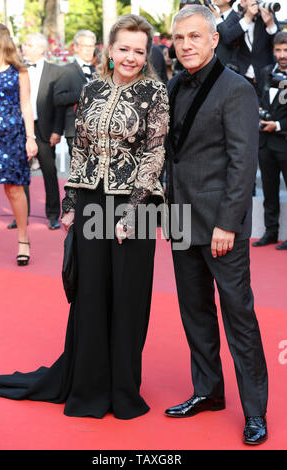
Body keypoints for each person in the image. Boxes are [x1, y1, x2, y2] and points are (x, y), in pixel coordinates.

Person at [0, 14, 169, 420]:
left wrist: (132, 211)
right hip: (92, 201)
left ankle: (121, 389)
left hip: (135, 206)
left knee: (127, 296)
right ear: (110, 48)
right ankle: (87, 385)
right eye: (124, 48)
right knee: (90, 293)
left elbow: (154, 153)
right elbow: (82, 147)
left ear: (148, 53)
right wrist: (70, 203)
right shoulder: (92, 89)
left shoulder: (155, 92)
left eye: (139, 50)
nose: (131, 57)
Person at [164, 5, 268, 445]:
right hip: (180, 219)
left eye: (194, 37)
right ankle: (206, 391)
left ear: (212, 39)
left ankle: (255, 413)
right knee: (195, 313)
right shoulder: (172, 84)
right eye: (180, 38)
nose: (186, 45)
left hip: (221, 225)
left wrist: (228, 222)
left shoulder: (236, 88)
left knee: (238, 316)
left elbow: (243, 163)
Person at [0, 23, 37, 264]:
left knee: (14, 189)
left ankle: (23, 239)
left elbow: (26, 105)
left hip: (12, 137)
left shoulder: (19, 70)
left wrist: (30, 137)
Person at [8, 33, 64, 231]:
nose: (25, 47)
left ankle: (53, 215)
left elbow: (59, 105)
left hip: (44, 129)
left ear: (41, 49)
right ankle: (20, 215)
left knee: (49, 172)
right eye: (24, 43)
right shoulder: (15, 69)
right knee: (20, 173)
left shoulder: (56, 71)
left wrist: (57, 131)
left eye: (30, 44)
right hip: (19, 128)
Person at [252, 32, 287, 251]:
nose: (282, 55)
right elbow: (259, 99)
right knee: (268, 190)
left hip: (284, 142)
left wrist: (280, 126)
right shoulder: (265, 73)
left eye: (286, 50)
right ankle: (270, 232)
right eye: (278, 50)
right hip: (265, 142)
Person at [54, 30, 97, 160]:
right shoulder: (65, 70)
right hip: (74, 129)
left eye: (91, 46)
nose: (89, 50)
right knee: (78, 173)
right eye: (85, 46)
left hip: (98, 131)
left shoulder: (100, 71)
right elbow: (58, 98)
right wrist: (82, 94)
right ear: (76, 47)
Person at [220, 0, 280, 93]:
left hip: (264, 77)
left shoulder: (268, 18)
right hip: (242, 75)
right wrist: (247, 18)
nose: (241, 1)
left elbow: (279, 45)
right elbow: (228, 39)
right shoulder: (237, 18)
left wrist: (270, 24)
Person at [208, 0, 240, 68]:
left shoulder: (237, 18)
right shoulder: (213, 17)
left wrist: (219, 20)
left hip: (227, 66)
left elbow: (229, 38)